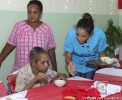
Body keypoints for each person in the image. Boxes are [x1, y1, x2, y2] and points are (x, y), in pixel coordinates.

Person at [0, 0, 57, 72]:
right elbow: (10, 45)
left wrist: (54, 67)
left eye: (35, 12)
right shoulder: (19, 26)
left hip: (41, 71)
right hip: (21, 69)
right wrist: (0, 59)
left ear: (41, 13)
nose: (31, 15)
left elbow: (51, 49)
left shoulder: (47, 28)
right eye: (29, 12)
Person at [63, 13, 108, 79]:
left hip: (91, 65)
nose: (79, 38)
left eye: (83, 36)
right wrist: (69, 63)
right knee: (75, 85)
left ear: (91, 34)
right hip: (75, 64)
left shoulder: (99, 34)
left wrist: (102, 62)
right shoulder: (71, 35)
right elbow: (68, 57)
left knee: (88, 85)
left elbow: (101, 54)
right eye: (77, 35)